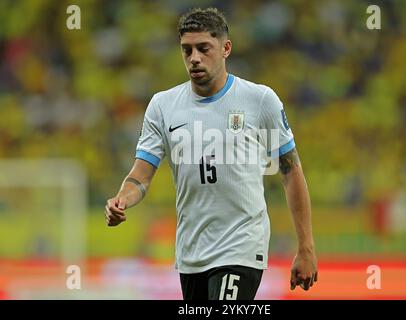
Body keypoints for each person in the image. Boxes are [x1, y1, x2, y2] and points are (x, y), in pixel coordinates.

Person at [105, 7, 318, 300]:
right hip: (191, 253)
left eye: (203, 48)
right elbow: (141, 176)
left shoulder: (259, 101)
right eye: (187, 50)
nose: (194, 58)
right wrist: (122, 199)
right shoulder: (163, 106)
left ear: (225, 48)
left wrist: (305, 248)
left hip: (241, 247)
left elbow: (290, 172)